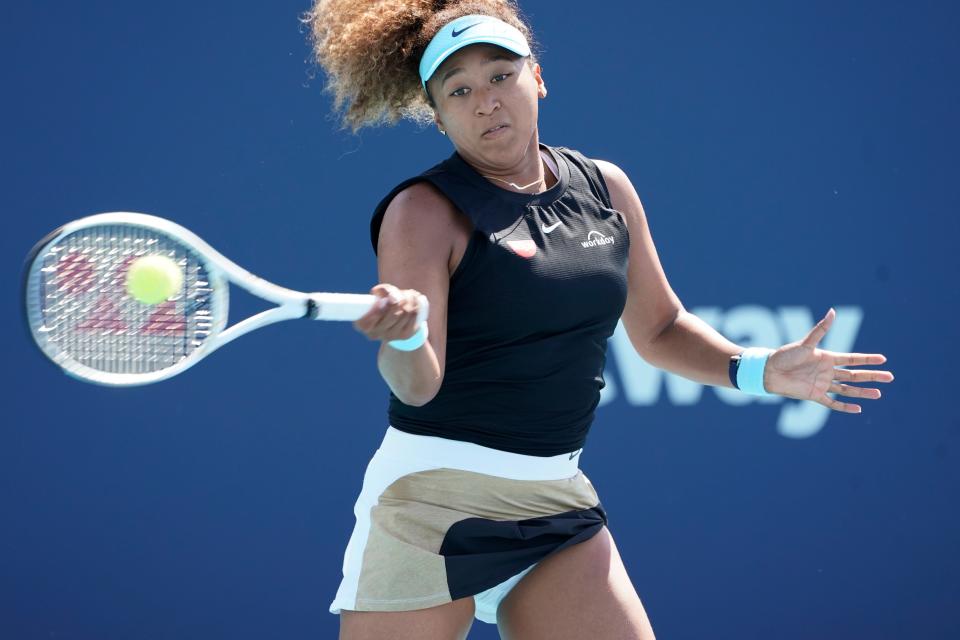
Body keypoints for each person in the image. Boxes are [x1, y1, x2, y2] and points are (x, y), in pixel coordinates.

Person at [304, 1, 894, 638]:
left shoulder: (605, 187)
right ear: (438, 113)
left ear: (538, 77)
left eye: (501, 76)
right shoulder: (422, 212)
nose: (485, 102)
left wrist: (758, 371)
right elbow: (417, 383)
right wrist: (407, 335)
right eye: (460, 90)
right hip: (432, 504)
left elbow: (661, 330)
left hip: (555, 497)